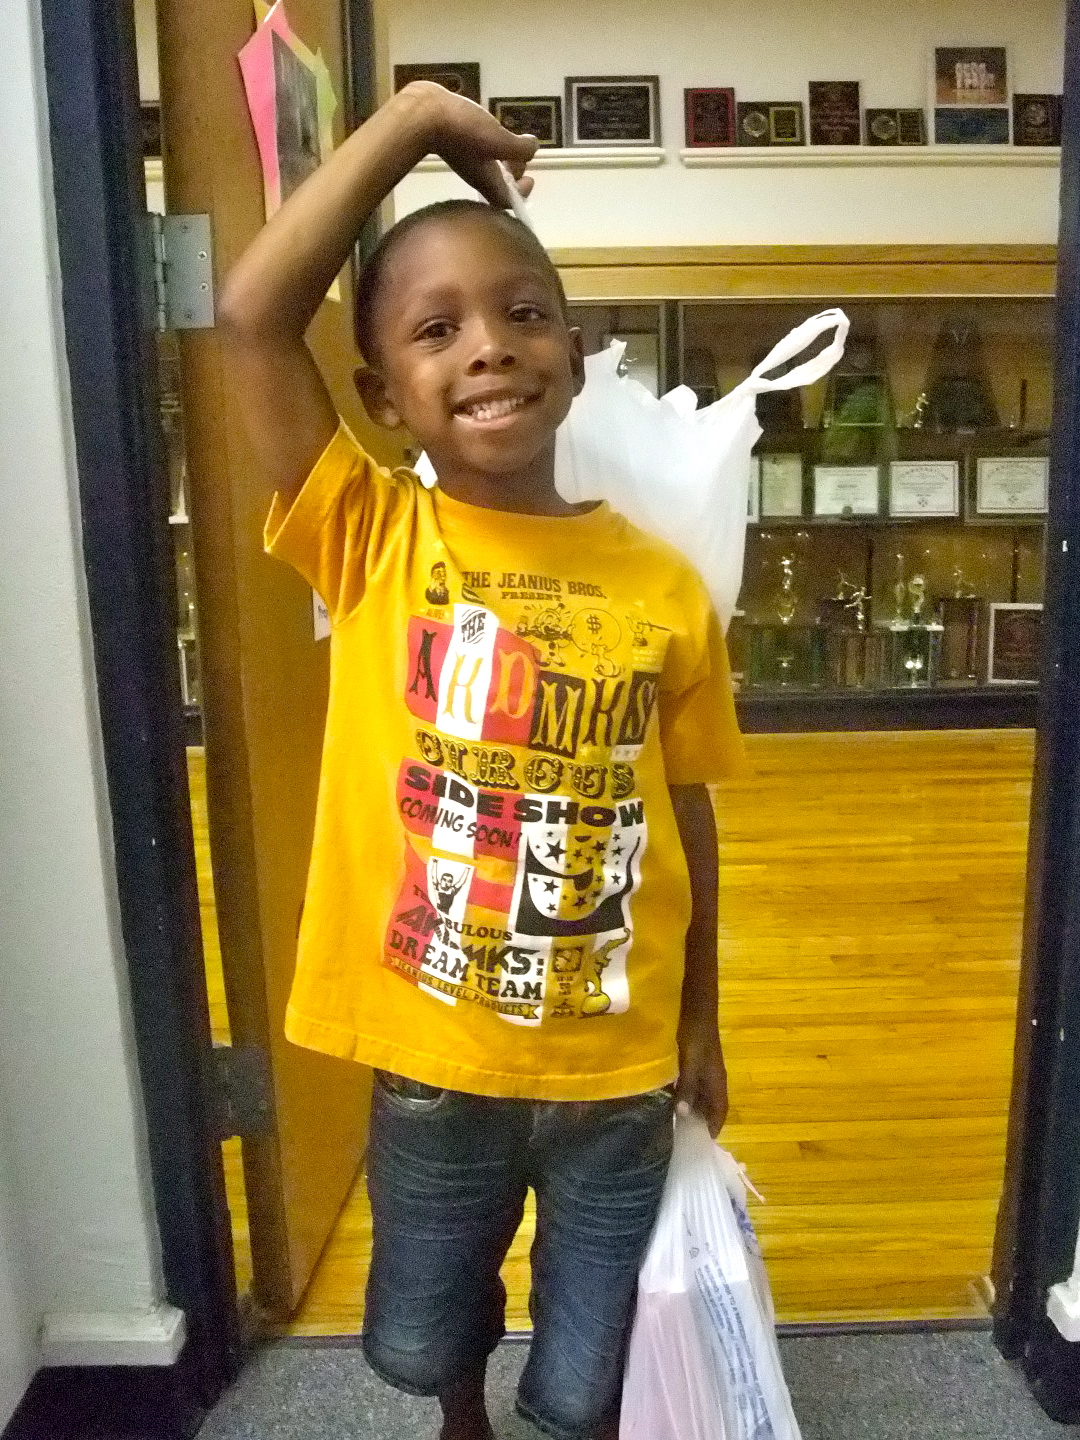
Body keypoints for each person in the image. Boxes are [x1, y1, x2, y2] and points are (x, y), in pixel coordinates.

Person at [220, 79, 746, 1440]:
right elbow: (251, 316)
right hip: (433, 1063)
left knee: (589, 1368)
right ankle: (461, 1409)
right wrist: (410, 125)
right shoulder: (371, 538)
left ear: (572, 349)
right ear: (382, 396)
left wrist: (701, 1018)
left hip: (617, 1068)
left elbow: (684, 813)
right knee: (420, 1329)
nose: (490, 349)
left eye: (523, 314)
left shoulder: (664, 586)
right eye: (436, 329)